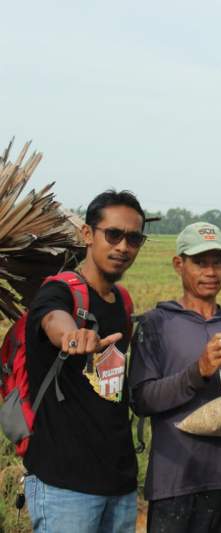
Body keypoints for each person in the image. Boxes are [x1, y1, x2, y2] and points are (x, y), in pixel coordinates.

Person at [129, 222, 221, 533]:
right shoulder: (156, 326)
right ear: (179, 264)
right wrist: (199, 372)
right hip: (177, 482)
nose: (210, 271)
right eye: (200, 262)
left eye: (218, 262)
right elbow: (141, 399)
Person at [23, 190, 147, 533]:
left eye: (134, 238)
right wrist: (73, 336)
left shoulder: (121, 301)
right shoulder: (59, 292)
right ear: (88, 235)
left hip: (119, 483)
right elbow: (53, 320)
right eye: (114, 234)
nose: (123, 246)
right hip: (64, 485)